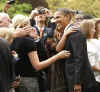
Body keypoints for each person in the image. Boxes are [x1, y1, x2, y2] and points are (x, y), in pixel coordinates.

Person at [11, 14, 71, 92]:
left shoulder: (10, 39)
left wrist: (36, 39)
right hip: (29, 81)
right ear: (26, 25)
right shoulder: (28, 41)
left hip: (15, 80)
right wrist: (58, 56)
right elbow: (38, 66)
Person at [54, 8, 97, 92]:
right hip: (69, 75)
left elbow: (79, 58)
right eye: (55, 18)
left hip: (77, 79)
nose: (55, 20)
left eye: (58, 17)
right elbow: (58, 49)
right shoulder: (65, 31)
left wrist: (77, 82)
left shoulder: (75, 31)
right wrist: (64, 35)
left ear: (67, 17)